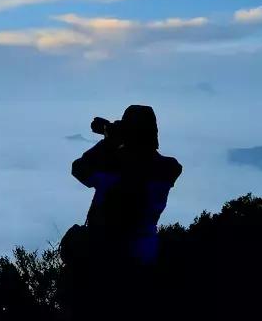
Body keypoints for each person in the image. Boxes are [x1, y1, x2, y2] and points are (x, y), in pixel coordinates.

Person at [71, 105, 182, 266]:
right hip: (146, 251)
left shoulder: (115, 166)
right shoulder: (167, 167)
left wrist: (108, 142)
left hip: (107, 253)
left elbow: (79, 169)